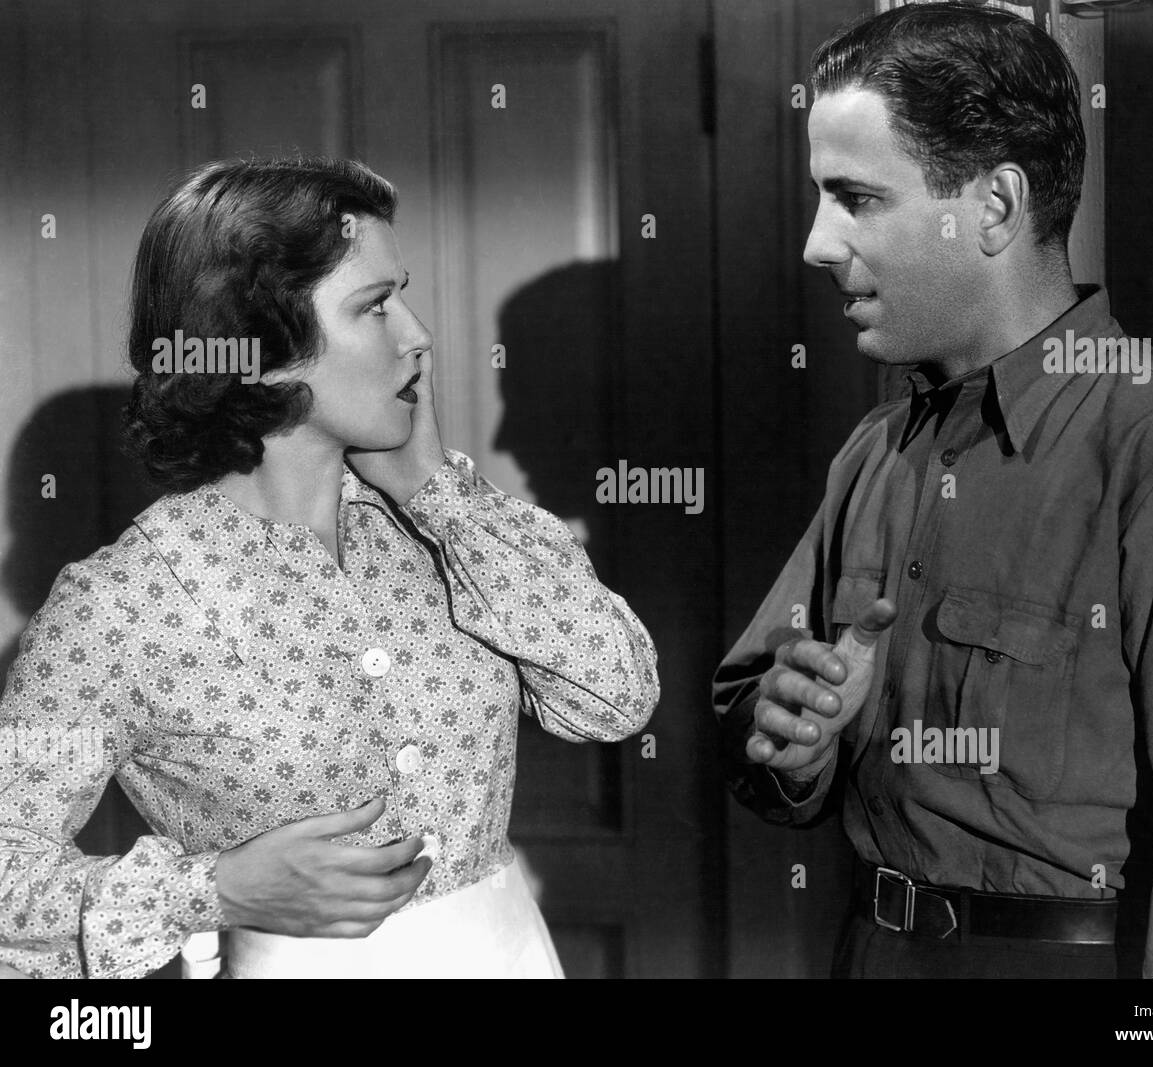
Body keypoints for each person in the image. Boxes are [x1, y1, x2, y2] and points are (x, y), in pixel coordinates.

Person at [713, 2, 1153, 979]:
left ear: (991, 208)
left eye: (856, 198)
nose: (818, 241)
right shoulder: (873, 452)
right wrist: (790, 736)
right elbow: (760, 735)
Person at [0, 156, 659, 979]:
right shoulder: (120, 606)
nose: (416, 335)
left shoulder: (445, 528)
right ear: (262, 353)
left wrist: (433, 492)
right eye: (375, 307)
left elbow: (617, 694)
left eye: (402, 295)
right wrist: (213, 890)